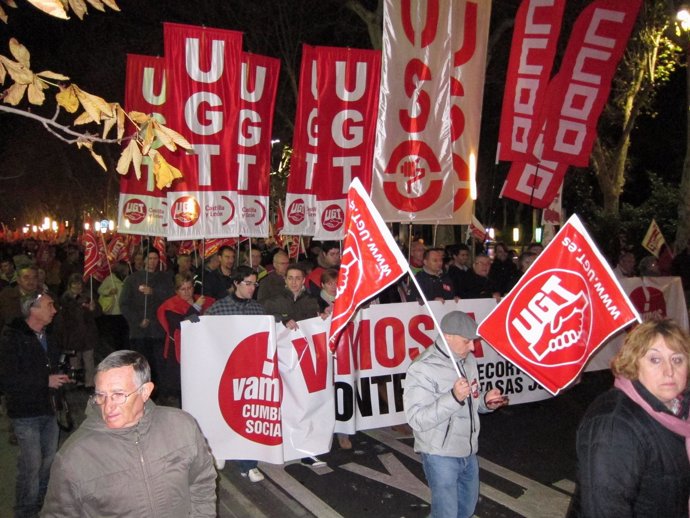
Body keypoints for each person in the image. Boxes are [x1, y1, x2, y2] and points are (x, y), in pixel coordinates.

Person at [40, 350, 217, 517]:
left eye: (118, 394)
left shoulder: (181, 426)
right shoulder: (74, 455)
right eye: (101, 395)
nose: (108, 407)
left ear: (145, 391)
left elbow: (201, 481)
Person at [568, 319, 690, 517]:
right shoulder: (614, 424)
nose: (669, 371)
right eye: (655, 360)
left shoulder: (681, 411)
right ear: (633, 363)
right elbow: (605, 509)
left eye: (677, 359)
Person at [404, 311, 508, 518]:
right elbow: (416, 419)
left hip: (468, 450)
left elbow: (473, 402)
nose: (472, 347)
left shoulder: (467, 360)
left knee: (465, 510)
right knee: (446, 514)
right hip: (440, 454)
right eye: (467, 341)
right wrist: (453, 397)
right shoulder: (423, 368)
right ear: (447, 336)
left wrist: (486, 402)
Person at [0, 293, 71, 518]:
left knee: (48, 461)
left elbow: (48, 368)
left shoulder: (48, 336)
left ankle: (42, 504)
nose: (55, 309)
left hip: (49, 409)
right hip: (26, 412)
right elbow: (7, 379)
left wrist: (59, 377)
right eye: (50, 305)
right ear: (33, 309)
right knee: (31, 466)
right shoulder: (12, 338)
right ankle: (25, 511)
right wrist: (45, 380)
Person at [206, 265, 267, 482]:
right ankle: (221, 450)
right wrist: (196, 324)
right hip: (225, 371)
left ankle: (248, 464)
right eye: (248, 283)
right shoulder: (218, 308)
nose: (252, 288)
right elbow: (206, 337)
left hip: (249, 373)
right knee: (225, 414)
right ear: (236, 284)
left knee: (248, 416)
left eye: (254, 284)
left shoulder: (258, 310)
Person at [156, 272, 214, 405]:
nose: (187, 292)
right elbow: (182, 324)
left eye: (190, 288)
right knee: (184, 387)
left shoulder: (204, 300)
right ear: (177, 291)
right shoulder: (170, 306)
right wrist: (196, 308)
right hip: (180, 350)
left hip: (201, 349)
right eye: (183, 289)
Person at [119, 249, 173, 388]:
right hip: (140, 331)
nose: (153, 262)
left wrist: (154, 292)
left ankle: (160, 390)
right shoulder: (133, 279)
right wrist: (137, 320)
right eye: (150, 258)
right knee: (141, 363)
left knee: (159, 363)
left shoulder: (164, 278)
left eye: (155, 258)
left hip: (158, 330)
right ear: (144, 260)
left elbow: (170, 298)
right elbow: (124, 303)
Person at [54, 273, 100, 388]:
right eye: (74, 283)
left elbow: (98, 313)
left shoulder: (87, 297)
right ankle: (77, 381)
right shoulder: (65, 299)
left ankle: (89, 382)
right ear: (70, 285)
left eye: (79, 283)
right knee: (75, 360)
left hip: (87, 333)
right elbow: (62, 318)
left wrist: (93, 309)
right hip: (72, 334)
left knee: (88, 359)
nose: (77, 286)